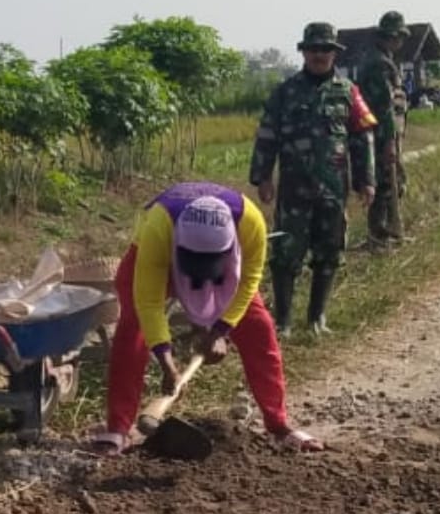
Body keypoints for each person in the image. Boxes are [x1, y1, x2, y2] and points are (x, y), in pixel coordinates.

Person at [91, 183, 324, 454]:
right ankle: (118, 427)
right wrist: (167, 363)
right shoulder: (158, 228)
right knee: (131, 327)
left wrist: (220, 330)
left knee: (260, 329)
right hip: (157, 255)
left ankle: (279, 425)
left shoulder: (251, 223)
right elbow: (149, 303)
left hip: (225, 266)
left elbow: (248, 282)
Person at [249, 22, 377, 336]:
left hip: (333, 190)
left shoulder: (349, 92)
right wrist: (262, 177)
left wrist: (367, 180)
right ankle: (283, 322)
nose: (320, 55)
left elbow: (363, 138)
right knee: (286, 254)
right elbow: (267, 136)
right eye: (314, 49)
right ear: (304, 52)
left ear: (335, 54)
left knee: (329, 251)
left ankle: (317, 317)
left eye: (326, 49)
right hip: (294, 190)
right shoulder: (285, 92)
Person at [359, 11, 410, 246]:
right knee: (386, 183)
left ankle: (387, 231)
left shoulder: (381, 59)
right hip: (381, 134)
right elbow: (385, 107)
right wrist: (389, 140)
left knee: (390, 181)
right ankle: (381, 233)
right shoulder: (379, 63)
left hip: (386, 132)